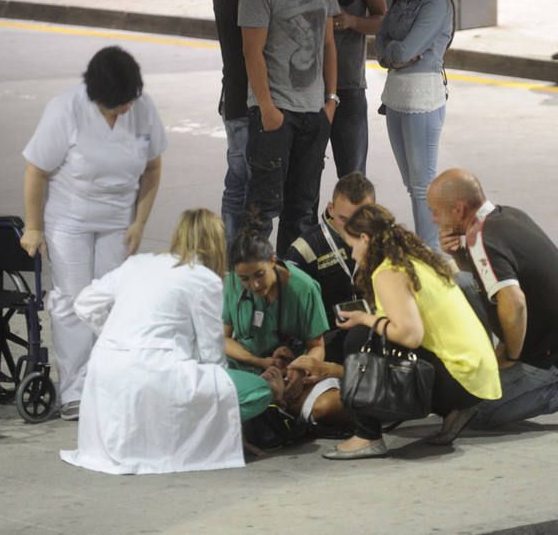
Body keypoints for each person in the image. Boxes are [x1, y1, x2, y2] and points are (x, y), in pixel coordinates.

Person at [59, 209, 272, 474]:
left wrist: (118, 337)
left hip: (105, 372)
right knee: (259, 391)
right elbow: (211, 354)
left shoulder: (138, 263)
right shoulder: (203, 278)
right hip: (158, 373)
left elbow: (84, 303)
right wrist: (224, 414)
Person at [20, 46, 166, 421]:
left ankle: (107, 381)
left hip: (118, 218)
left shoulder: (143, 108)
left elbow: (152, 170)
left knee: (109, 301)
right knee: (72, 299)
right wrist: (34, 227)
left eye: (130, 101)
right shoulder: (65, 109)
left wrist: (139, 223)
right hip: (70, 217)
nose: (127, 110)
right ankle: (73, 389)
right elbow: (36, 171)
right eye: (118, 105)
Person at [427, 168, 558, 430]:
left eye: (436, 211)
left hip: (556, 352)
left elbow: (515, 302)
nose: (433, 219)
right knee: (459, 282)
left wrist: (510, 354)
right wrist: (458, 255)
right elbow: (485, 277)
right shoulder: (506, 214)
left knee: (469, 413)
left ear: (458, 210)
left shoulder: (481, 239)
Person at [319, 204, 501, 460]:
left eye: (352, 246)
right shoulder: (417, 257)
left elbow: (410, 336)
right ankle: (454, 409)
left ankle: (367, 436)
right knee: (374, 329)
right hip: (476, 375)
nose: (352, 255)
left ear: (365, 239)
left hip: (460, 378)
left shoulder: (388, 272)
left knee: (360, 337)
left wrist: (364, 318)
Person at [238, 0, 340, 255]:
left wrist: (331, 100)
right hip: (276, 112)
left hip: (314, 112)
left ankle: (292, 286)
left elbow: (328, 45)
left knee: (304, 211)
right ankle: (248, 287)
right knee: (262, 211)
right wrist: (267, 108)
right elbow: (252, 54)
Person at [223, 222, 348, 429]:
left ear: (272, 261)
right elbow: (223, 339)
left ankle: (270, 404)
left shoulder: (304, 288)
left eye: (259, 275)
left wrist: (299, 370)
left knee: (325, 407)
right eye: (244, 279)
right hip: (250, 368)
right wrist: (260, 361)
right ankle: (270, 402)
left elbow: (316, 346)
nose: (253, 285)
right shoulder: (232, 284)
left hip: (291, 373)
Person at [375, 0, 455, 249]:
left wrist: (396, 51)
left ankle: (431, 254)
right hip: (396, 99)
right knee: (412, 184)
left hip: (423, 98)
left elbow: (403, 50)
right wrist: (395, 53)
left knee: (423, 185)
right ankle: (428, 250)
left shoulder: (436, 2)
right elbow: (382, 43)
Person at [213, 0, 283, 248]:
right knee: (254, 185)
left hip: (232, 98)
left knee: (236, 182)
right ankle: (246, 255)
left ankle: (229, 255)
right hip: (250, 101)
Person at [310, 0, 387, 177]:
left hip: (349, 85)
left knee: (353, 177)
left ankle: (354, 220)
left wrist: (353, 21)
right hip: (305, 88)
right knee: (304, 177)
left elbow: (382, 20)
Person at [286, 171, 375, 363]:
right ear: (331, 208)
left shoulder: (383, 240)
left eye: (360, 219)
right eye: (344, 220)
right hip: (326, 340)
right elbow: (292, 315)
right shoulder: (304, 250)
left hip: (373, 326)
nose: (353, 228)